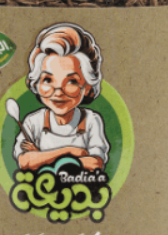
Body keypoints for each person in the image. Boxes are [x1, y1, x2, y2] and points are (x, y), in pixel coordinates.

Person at [13, 23, 110, 172]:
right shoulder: (33, 122)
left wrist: (42, 157)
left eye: (71, 81)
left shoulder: (91, 120)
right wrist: (70, 151)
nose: (58, 92)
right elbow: (25, 162)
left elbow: (95, 164)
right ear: (36, 84)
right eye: (48, 80)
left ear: (87, 86)